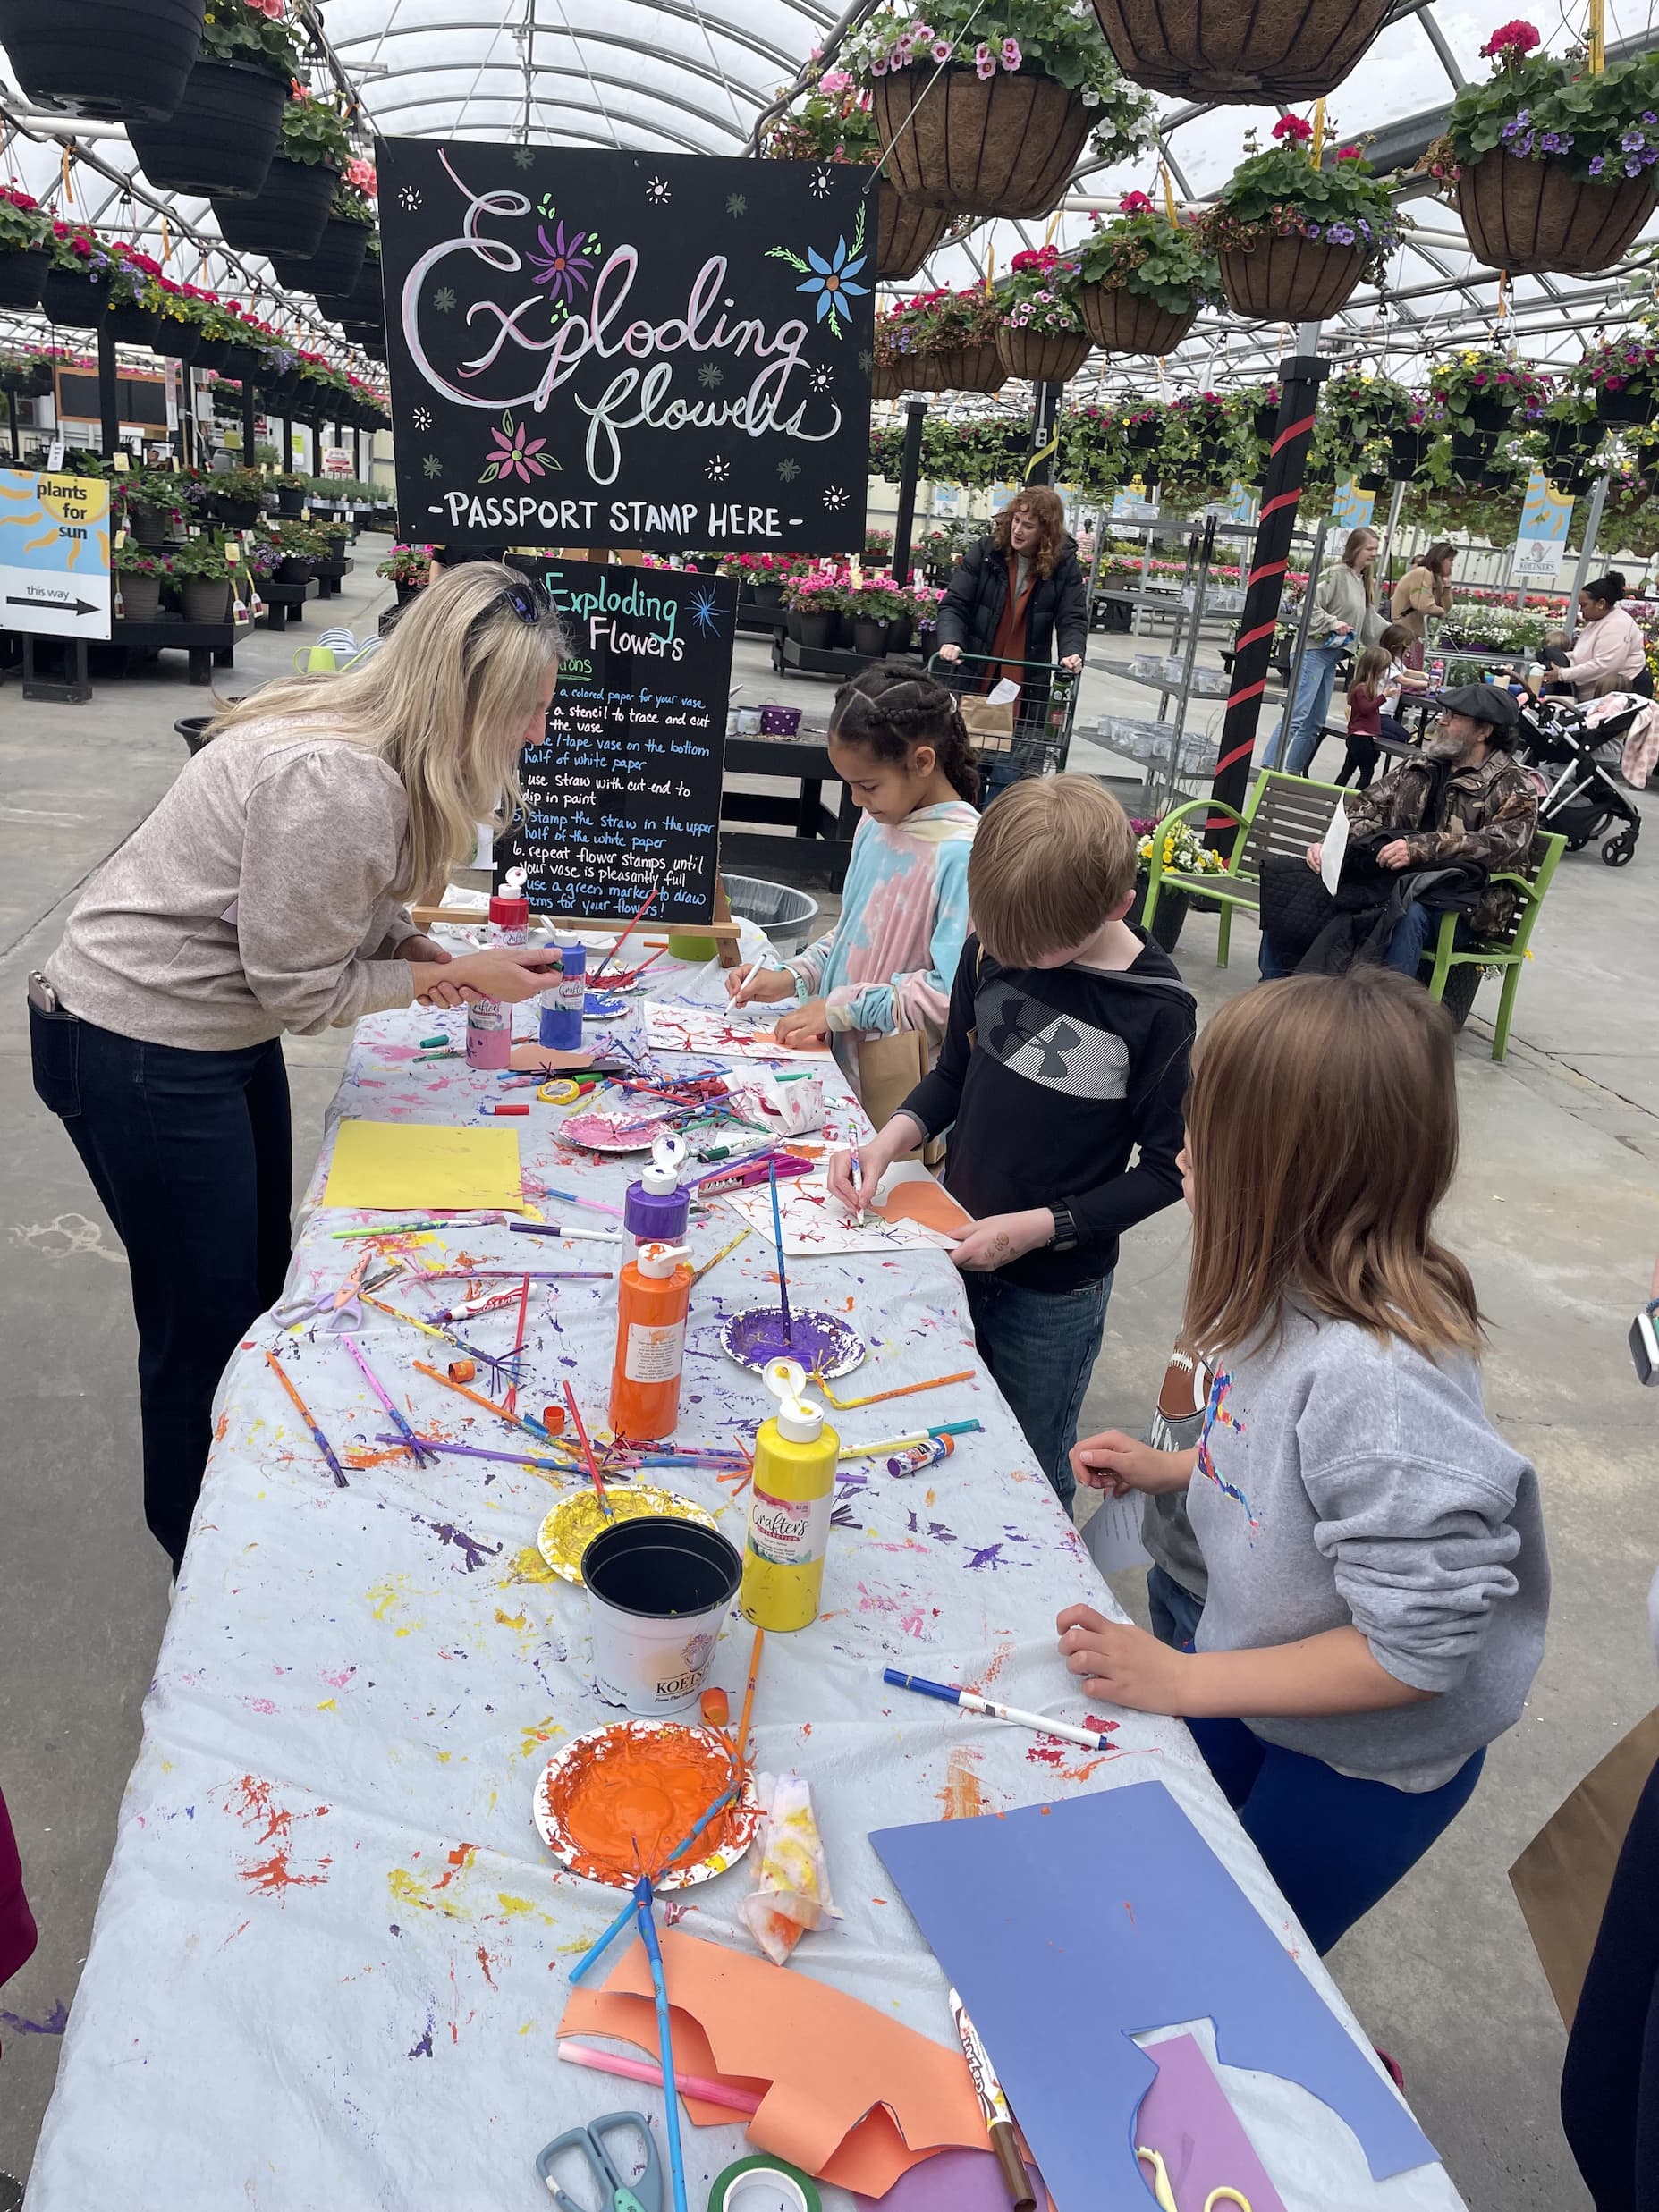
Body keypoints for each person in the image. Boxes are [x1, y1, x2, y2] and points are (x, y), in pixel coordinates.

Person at [29, 564, 568, 1573]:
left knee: (262, 1281)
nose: (536, 735)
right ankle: (207, 1563)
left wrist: (417, 949)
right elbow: (299, 991)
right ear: (463, 699)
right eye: (526, 712)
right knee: (205, 1325)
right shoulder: (338, 777)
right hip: (141, 1047)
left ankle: (241, 1516)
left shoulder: (373, 756)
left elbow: (333, 906)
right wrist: (448, 979)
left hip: (205, 1035)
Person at [1057, 967, 1549, 1955]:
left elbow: (1414, 1650)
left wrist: (1181, 1680)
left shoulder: (1380, 1388)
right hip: (1257, 1667)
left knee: (1229, 1952)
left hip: (1366, 1759)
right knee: (1165, 1864)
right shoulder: (1280, 1283)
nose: (1181, 1153)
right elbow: (1282, 1462)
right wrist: (1178, 1470)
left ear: (1287, 1172)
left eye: (1207, 1135)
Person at [824, 775, 1195, 1514]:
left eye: (1037, 953)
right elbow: (958, 1073)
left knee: (1027, 1462)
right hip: (951, 1242)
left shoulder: (1156, 1011)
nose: (1006, 957)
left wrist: (1038, 1229)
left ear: (1117, 908)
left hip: (1054, 1288)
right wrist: (888, 1138)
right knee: (937, 1423)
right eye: (996, 942)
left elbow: (1163, 1171)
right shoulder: (990, 949)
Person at [724, 668, 980, 1110]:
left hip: (904, 1093)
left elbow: (953, 994)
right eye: (850, 786)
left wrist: (843, 1008)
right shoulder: (877, 822)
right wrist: (792, 977)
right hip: (836, 1067)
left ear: (922, 762)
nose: (858, 801)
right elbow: (852, 933)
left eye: (868, 786)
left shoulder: (963, 855)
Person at [1261, 682, 1538, 982]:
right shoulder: (1419, 766)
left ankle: (1385, 1015)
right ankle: (1274, 992)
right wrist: (1331, 847)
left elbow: (1504, 843)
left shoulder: (1513, 785)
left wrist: (1420, 847)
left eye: (1453, 716)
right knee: (1293, 879)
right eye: (1443, 713)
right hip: (1392, 882)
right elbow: (1366, 807)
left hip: (1466, 903)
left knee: (1407, 913)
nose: (1441, 721)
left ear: (1484, 731)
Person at [935, 485, 1088, 799]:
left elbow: (1072, 617)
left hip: (1024, 689)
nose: (1018, 530)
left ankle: (1000, 841)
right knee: (969, 773)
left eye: (1028, 525)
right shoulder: (987, 551)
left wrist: (1072, 652)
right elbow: (954, 604)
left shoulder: (1064, 565)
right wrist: (951, 640)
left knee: (1012, 782)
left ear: (1046, 532)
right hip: (981, 681)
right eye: (1016, 521)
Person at [1262, 527, 1383, 777]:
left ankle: (1292, 772)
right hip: (1313, 652)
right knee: (1297, 714)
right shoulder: (1334, 576)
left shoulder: (1361, 582)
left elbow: (1369, 622)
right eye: (1369, 548)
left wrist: (1398, 635)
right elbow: (1307, 608)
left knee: (1315, 721)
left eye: (1376, 549)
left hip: (1331, 657)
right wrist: (1333, 623)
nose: (1374, 553)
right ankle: (1269, 768)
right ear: (1355, 548)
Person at [1554, 573, 1647, 700]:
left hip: (1625, 689)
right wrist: (1560, 658)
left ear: (1601, 604)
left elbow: (1604, 665)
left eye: (1584, 605)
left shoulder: (1617, 625)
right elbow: (1583, 653)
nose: (1581, 611)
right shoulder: (1597, 621)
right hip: (1606, 689)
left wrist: (1562, 674)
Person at [1390, 540, 1456, 669]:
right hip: (1405, 631)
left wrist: (1447, 587)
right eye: (1450, 561)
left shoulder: (1434, 578)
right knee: (1406, 672)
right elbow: (1423, 604)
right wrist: (1440, 612)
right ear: (1441, 559)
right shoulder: (1422, 574)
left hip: (1414, 633)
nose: (1452, 565)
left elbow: (1445, 607)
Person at [1334, 644, 1392, 790]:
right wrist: (1383, 697)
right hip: (1359, 737)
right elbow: (1366, 709)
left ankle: (1336, 795)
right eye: (1384, 669)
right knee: (1367, 771)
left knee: (1348, 769)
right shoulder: (1361, 689)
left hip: (1361, 737)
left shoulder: (1365, 688)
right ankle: (1356, 799)